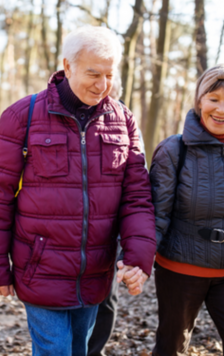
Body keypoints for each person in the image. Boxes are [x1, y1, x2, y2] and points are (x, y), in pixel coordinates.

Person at [0, 25, 156, 356]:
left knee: (79, 349)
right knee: (55, 351)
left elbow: (137, 197)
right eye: (93, 73)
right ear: (68, 66)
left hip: (96, 271)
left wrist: (138, 257)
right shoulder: (22, 116)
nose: (102, 85)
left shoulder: (123, 120)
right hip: (40, 268)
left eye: (108, 75)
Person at [150, 64, 224, 355]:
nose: (222, 109)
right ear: (199, 100)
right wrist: (136, 260)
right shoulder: (174, 150)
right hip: (180, 270)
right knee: (170, 349)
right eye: (214, 98)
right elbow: (156, 215)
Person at [87, 75, 146, 356]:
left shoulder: (126, 122)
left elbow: (137, 180)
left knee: (106, 296)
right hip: (81, 225)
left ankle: (93, 350)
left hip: (114, 226)